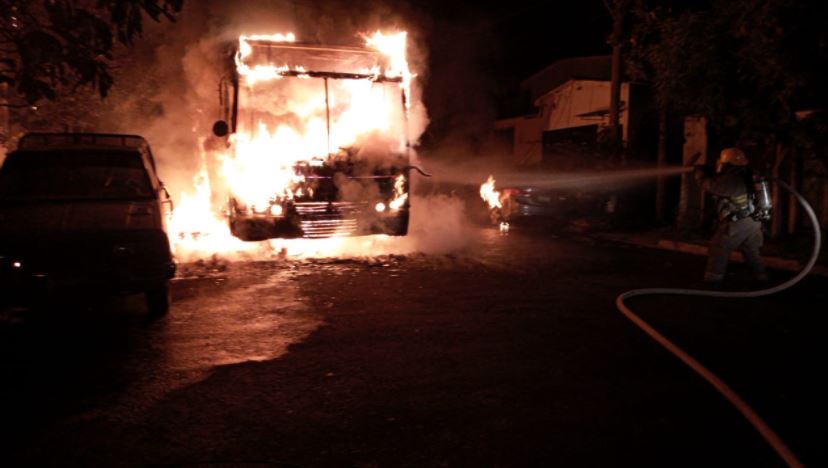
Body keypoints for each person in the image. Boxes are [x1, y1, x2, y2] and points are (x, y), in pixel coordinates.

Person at [694, 147, 768, 285]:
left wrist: (699, 174)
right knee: (751, 250)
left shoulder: (733, 180)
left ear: (728, 164)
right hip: (753, 221)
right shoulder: (749, 175)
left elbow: (710, 185)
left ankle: (712, 282)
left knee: (718, 248)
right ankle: (761, 279)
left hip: (738, 223)